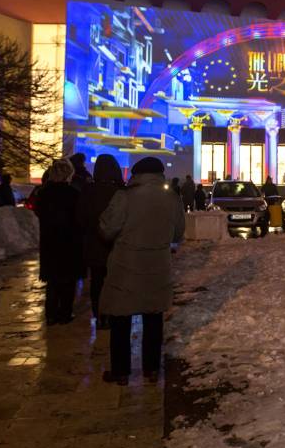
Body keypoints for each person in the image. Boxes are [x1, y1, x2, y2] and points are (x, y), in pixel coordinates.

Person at [99, 157, 185, 385]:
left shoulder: (124, 197)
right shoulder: (172, 198)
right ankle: (152, 369)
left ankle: (120, 372)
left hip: (126, 267)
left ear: (135, 175)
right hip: (157, 266)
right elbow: (178, 234)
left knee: (120, 320)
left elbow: (107, 230)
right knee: (154, 319)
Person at [75, 154, 124, 330]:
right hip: (115, 246)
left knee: (97, 282)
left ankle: (99, 315)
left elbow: (80, 218)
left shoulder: (88, 191)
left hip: (93, 245)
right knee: (114, 281)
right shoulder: (119, 192)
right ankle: (112, 314)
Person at [33, 158, 84, 325]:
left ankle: (51, 314)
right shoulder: (73, 194)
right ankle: (65, 312)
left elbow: (39, 212)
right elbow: (79, 219)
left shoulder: (43, 194)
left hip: (50, 241)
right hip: (70, 242)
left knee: (53, 281)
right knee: (68, 281)